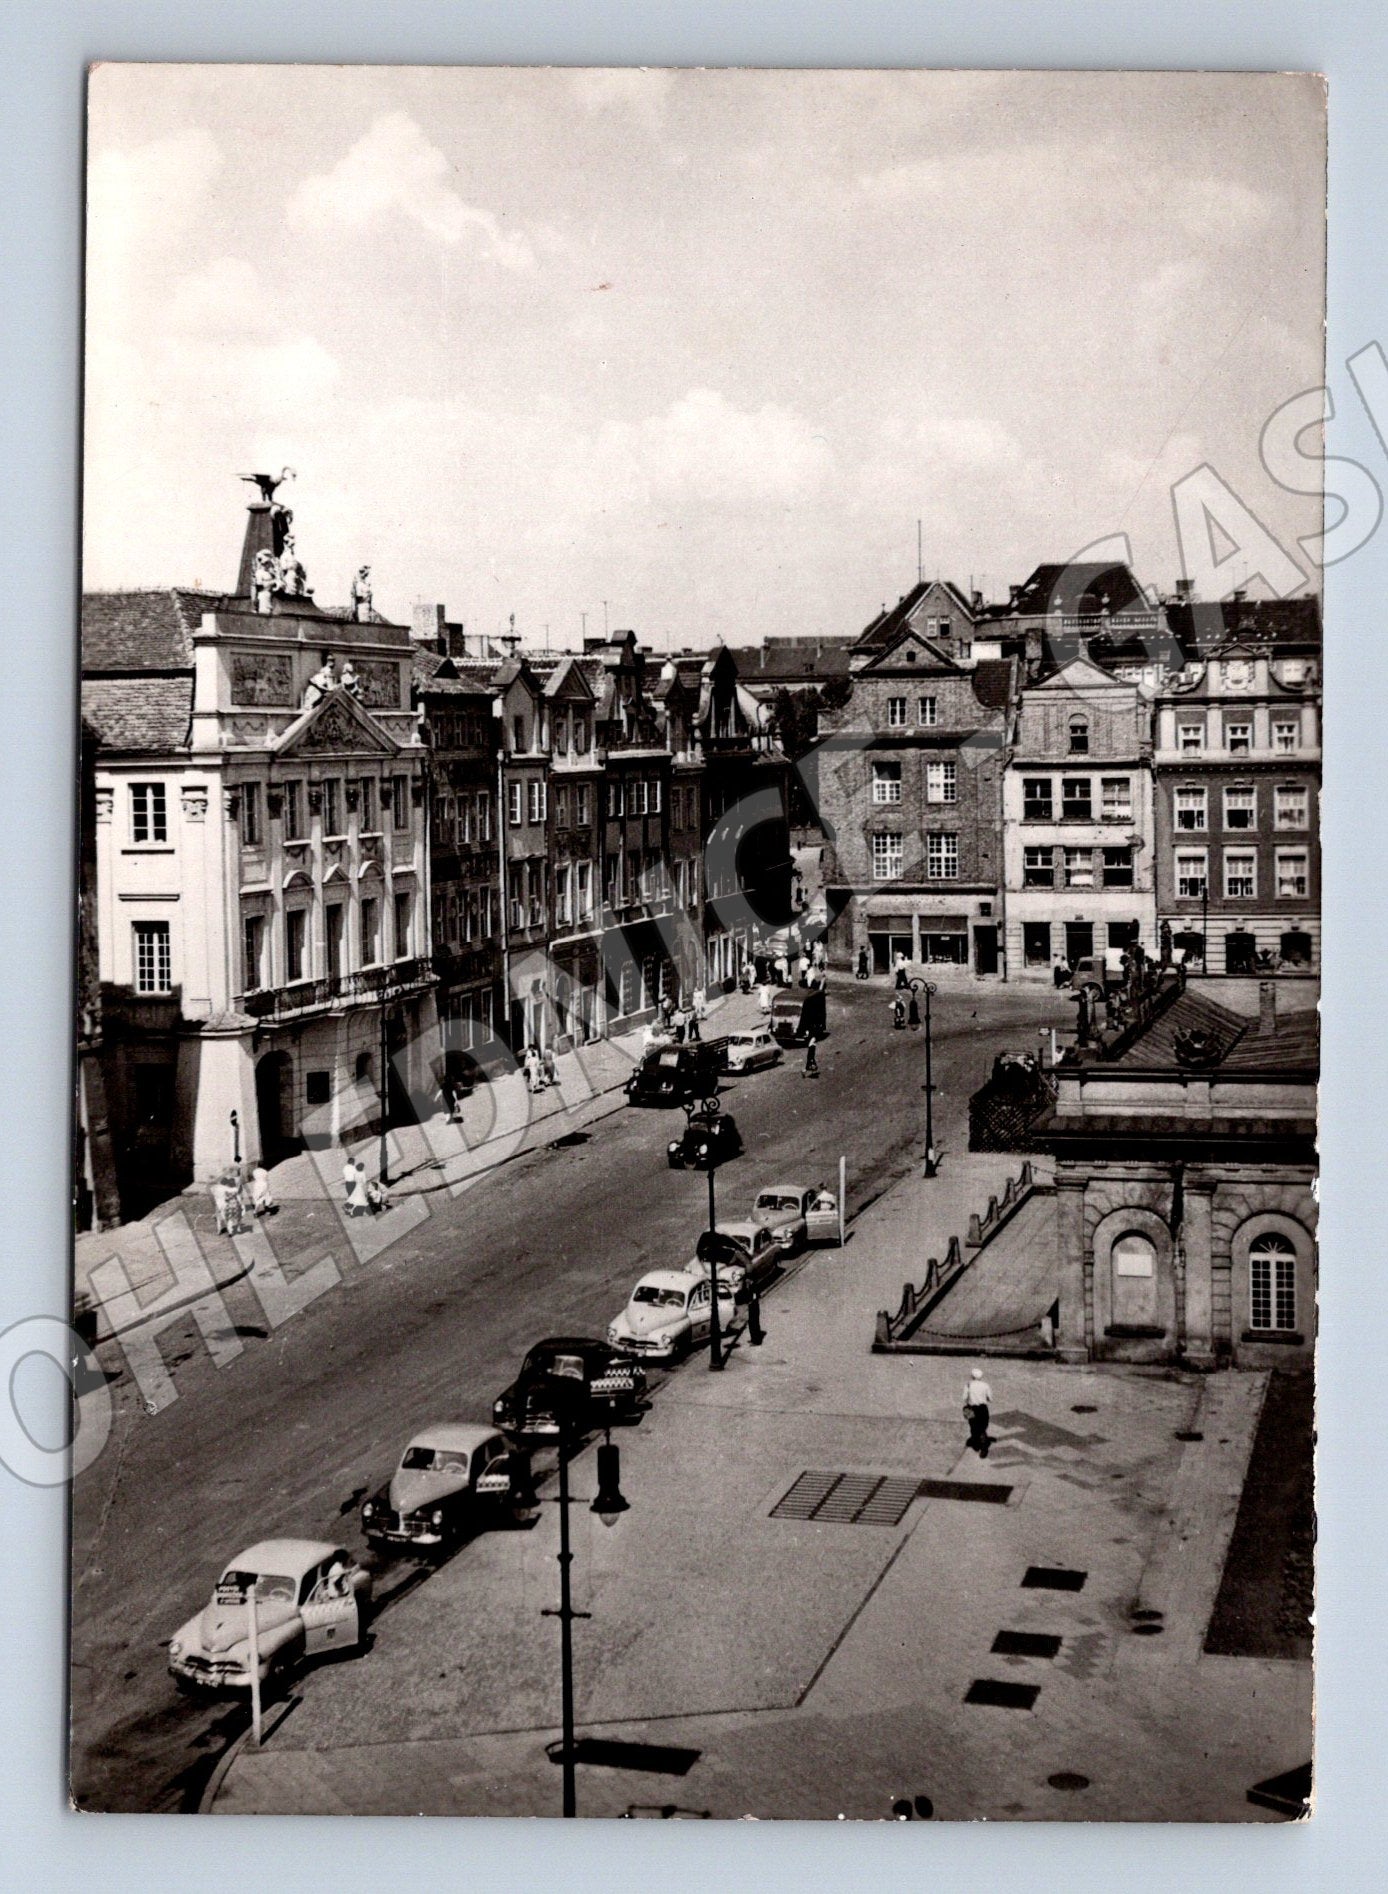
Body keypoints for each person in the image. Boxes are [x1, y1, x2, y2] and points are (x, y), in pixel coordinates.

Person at [963, 1366, 993, 1457]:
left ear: (972, 1376)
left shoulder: (968, 1385)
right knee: (982, 1428)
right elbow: (990, 1399)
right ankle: (983, 1448)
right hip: (983, 1408)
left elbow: (964, 1398)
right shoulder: (986, 1385)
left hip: (971, 1408)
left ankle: (974, 1441)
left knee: (972, 1425)